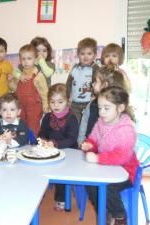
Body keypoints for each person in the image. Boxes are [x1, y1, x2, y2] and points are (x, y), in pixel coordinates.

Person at [81, 86, 139, 225]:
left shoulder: (126, 129)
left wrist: (98, 158)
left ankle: (120, 217)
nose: (101, 112)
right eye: (100, 108)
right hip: (105, 168)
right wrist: (89, 145)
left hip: (126, 172)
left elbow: (121, 157)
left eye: (106, 108)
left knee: (107, 186)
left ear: (120, 108)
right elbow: (93, 139)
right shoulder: (101, 122)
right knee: (91, 184)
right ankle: (104, 212)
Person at [38, 83, 79, 211]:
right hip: (51, 151)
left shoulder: (72, 118)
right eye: (52, 102)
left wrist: (55, 144)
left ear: (68, 101)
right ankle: (38, 193)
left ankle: (61, 198)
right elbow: (42, 134)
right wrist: (42, 141)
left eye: (60, 102)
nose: (56, 105)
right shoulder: (47, 117)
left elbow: (72, 139)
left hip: (69, 153)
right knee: (38, 168)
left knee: (62, 172)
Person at [77, 65, 127, 144]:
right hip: (90, 148)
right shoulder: (91, 105)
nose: (92, 84)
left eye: (96, 81)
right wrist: (80, 142)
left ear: (105, 85)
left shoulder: (118, 110)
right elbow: (83, 125)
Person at [10, 44, 49, 136]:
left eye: (29, 58)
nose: (26, 62)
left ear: (35, 60)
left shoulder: (38, 76)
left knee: (33, 126)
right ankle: (23, 140)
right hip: (20, 106)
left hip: (34, 107)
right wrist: (11, 80)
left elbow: (44, 93)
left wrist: (45, 105)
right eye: (23, 59)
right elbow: (14, 88)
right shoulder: (19, 75)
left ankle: (33, 142)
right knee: (21, 124)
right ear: (20, 60)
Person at [66, 37, 100, 123]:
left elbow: (98, 84)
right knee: (75, 123)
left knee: (88, 124)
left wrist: (95, 97)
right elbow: (69, 83)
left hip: (89, 103)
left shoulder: (96, 69)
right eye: (82, 53)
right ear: (78, 55)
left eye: (89, 53)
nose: (85, 56)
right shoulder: (75, 68)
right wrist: (67, 97)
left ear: (95, 55)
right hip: (75, 104)